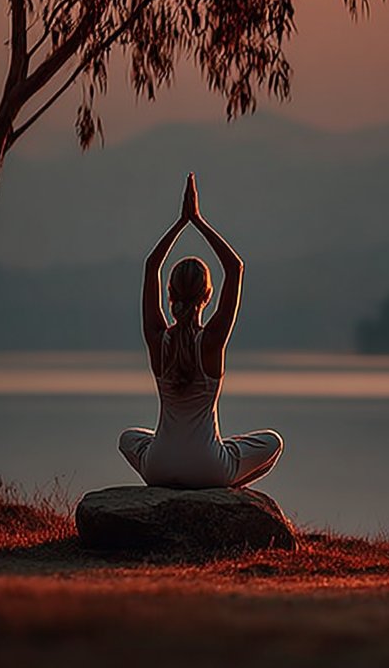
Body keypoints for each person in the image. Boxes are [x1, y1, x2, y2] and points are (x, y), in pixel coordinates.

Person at [118, 174, 283, 488]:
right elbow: (235, 268)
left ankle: (186, 469)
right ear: (208, 296)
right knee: (273, 442)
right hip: (209, 468)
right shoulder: (211, 342)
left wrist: (181, 223)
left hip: (159, 467)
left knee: (128, 438)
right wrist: (198, 220)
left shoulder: (158, 339)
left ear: (170, 295)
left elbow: (151, 265)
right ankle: (224, 489)